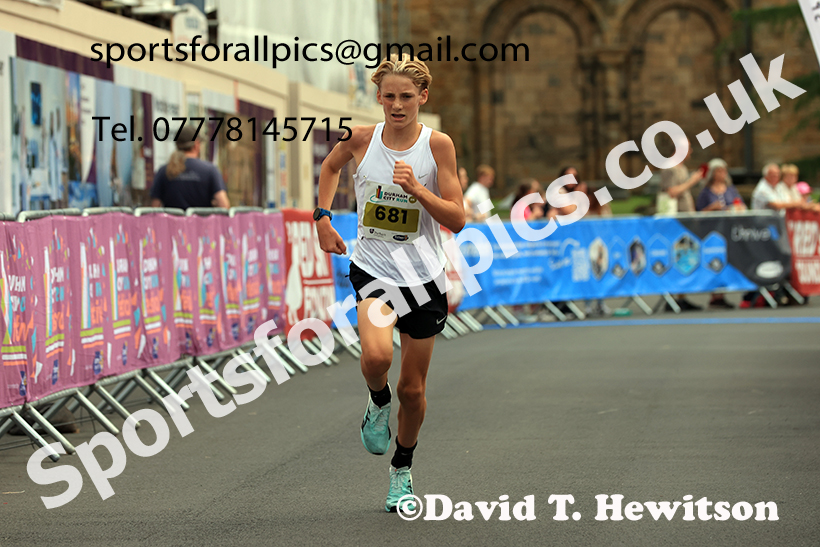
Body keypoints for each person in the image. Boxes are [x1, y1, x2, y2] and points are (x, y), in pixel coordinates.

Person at [316, 53, 465, 513]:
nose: (397, 105)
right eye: (389, 97)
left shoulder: (438, 145)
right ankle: (376, 401)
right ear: (377, 97)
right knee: (377, 356)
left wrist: (419, 191)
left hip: (423, 278)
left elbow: (458, 218)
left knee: (414, 391)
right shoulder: (361, 138)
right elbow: (329, 168)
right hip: (374, 269)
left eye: (406, 97)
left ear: (423, 97)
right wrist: (321, 217)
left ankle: (402, 467)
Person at [659, 140, 704, 311]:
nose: (691, 152)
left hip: (685, 217)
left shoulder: (682, 168)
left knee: (684, 254)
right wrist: (692, 181)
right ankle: (673, 295)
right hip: (675, 218)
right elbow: (672, 192)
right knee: (674, 254)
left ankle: (681, 295)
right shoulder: (670, 168)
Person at [695, 158, 745, 309]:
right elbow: (698, 212)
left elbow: (740, 204)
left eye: (723, 170)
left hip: (728, 230)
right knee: (714, 261)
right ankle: (715, 295)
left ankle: (722, 293)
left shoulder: (730, 189)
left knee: (727, 261)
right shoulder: (705, 192)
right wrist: (712, 208)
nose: (721, 174)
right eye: (718, 171)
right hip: (712, 232)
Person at [150, 124, 230, 209]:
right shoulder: (210, 170)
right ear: (196, 144)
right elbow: (224, 205)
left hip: (172, 222)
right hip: (202, 222)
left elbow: (155, 207)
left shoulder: (164, 171)